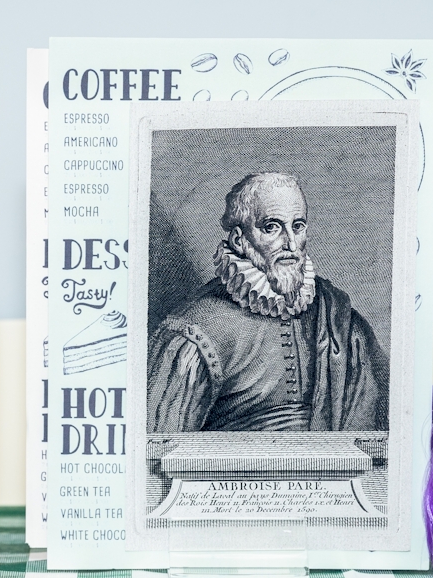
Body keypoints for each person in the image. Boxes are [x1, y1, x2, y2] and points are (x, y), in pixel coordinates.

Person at [148, 172, 389, 433]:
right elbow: (159, 451)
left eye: (298, 226)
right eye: (272, 227)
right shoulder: (196, 329)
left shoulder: (340, 319)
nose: (291, 243)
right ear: (240, 240)